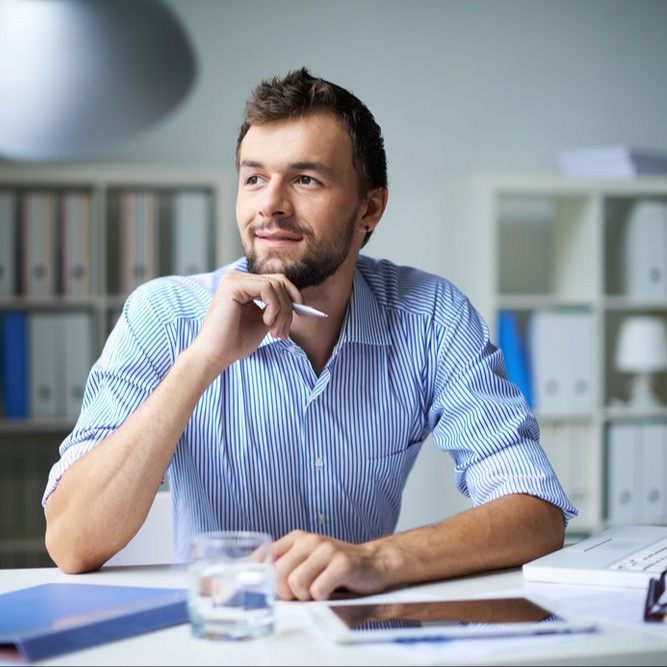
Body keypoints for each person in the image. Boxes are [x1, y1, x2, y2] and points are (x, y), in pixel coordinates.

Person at [43, 67, 577, 601]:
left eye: (305, 179)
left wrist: (376, 558)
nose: (270, 203)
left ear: (369, 207)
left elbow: (535, 512)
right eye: (253, 178)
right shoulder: (164, 316)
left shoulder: (431, 316)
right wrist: (203, 359)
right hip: (225, 634)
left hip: (359, 634)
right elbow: (71, 543)